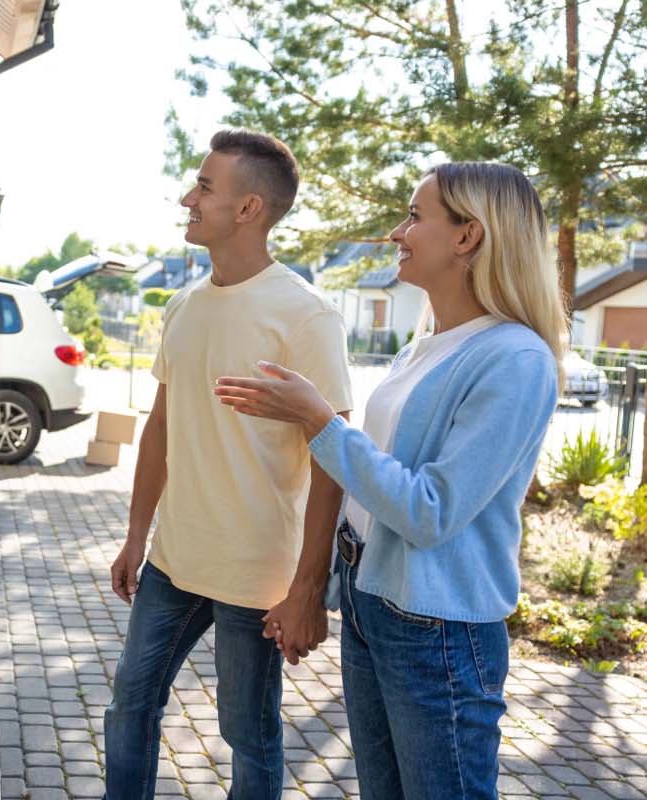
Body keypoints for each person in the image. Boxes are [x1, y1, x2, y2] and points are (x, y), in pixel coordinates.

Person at [214, 162, 564, 798]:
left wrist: (319, 419)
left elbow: (431, 511)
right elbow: (373, 485)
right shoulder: (427, 345)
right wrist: (314, 584)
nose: (397, 232)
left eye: (415, 216)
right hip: (372, 600)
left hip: (439, 626)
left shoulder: (515, 359)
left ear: (467, 237)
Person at [103, 129, 353, 800]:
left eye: (205, 188)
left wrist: (308, 586)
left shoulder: (307, 315)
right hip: (174, 562)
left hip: (256, 577)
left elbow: (335, 461)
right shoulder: (184, 305)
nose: (189, 197)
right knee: (131, 703)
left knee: (248, 733)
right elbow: (160, 428)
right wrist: (135, 535)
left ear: (248, 209)